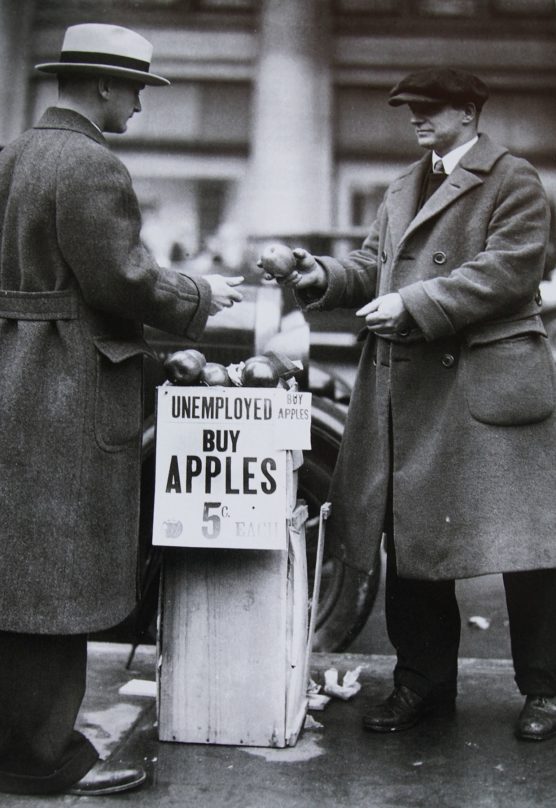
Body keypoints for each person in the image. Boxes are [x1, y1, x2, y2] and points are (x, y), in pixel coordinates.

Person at [266, 68, 556, 741]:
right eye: (409, 110)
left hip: (488, 390)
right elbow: (376, 265)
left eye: (428, 109)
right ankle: (421, 683)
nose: (415, 119)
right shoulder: (403, 184)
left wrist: (415, 303)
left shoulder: (512, 179)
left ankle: (545, 690)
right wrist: (320, 276)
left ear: (468, 110)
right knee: (412, 541)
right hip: (417, 387)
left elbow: (511, 268)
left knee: (528, 549)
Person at [0, 23, 243, 796]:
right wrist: (204, 295)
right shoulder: (92, 166)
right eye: (136, 88)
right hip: (65, 391)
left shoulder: (10, 156)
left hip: (11, 378)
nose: (139, 104)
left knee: (16, 572)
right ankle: (43, 760)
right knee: (57, 579)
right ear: (104, 84)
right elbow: (124, 283)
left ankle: (21, 745)